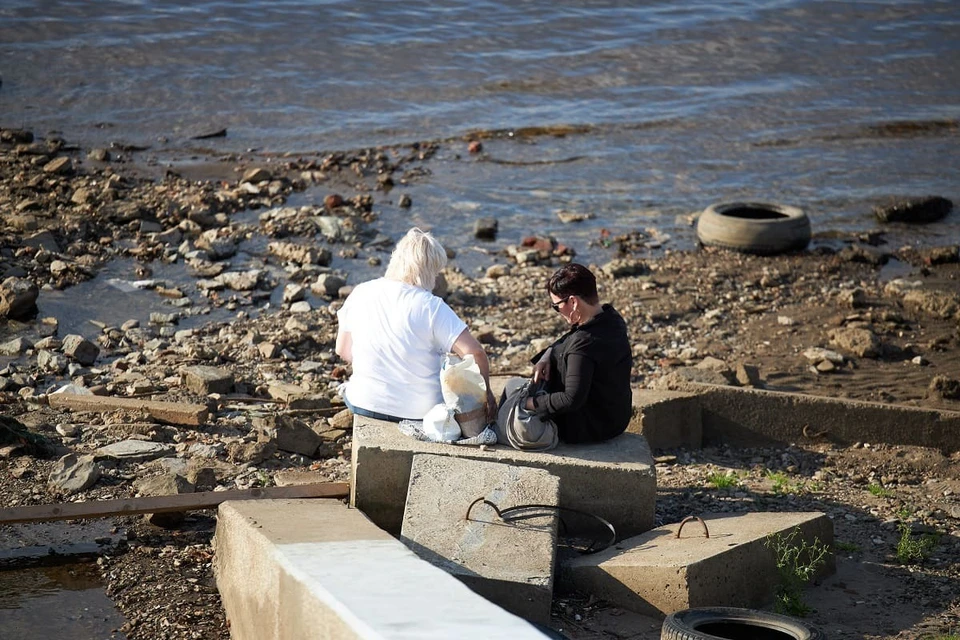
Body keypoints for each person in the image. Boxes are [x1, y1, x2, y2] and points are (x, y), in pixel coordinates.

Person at [335, 227, 497, 423]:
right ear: (430, 271)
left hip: (364, 403)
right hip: (420, 413)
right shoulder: (432, 307)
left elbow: (343, 350)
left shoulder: (361, 292)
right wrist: (485, 393)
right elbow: (475, 353)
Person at [524, 263, 633, 443]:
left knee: (511, 394)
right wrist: (547, 354)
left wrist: (530, 403)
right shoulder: (610, 319)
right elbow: (569, 337)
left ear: (573, 302)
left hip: (587, 428)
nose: (557, 311)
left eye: (556, 305)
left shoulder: (583, 345)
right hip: (616, 418)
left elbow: (570, 399)